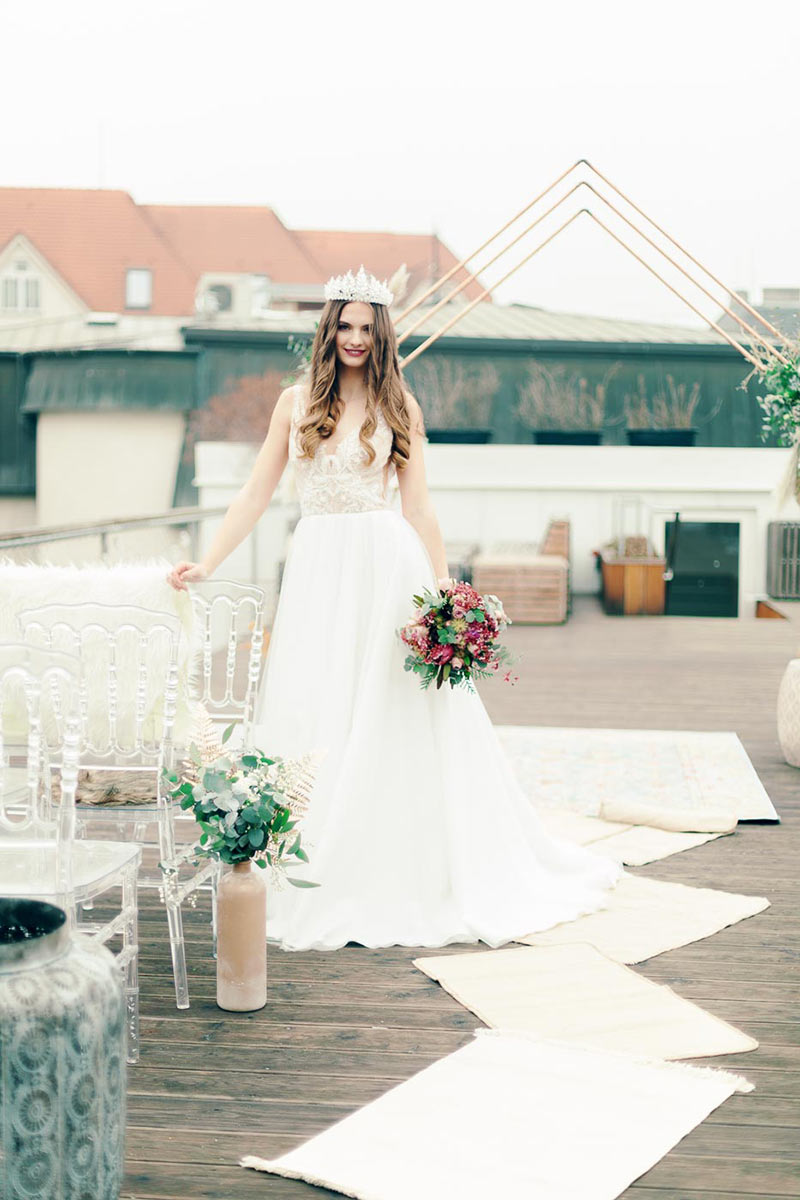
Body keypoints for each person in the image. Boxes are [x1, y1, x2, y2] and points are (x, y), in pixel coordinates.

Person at [167, 265, 621, 951]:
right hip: (319, 572)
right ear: (329, 331)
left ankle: (399, 860)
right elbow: (254, 495)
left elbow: (419, 506)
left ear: (382, 336)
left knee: (389, 715)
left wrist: (443, 591)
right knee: (317, 704)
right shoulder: (295, 405)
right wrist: (208, 562)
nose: (353, 339)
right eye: (343, 326)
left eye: (365, 329)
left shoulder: (400, 406)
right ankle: (311, 857)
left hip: (387, 571)